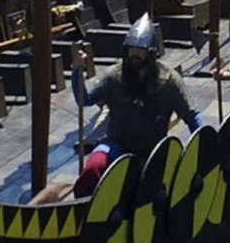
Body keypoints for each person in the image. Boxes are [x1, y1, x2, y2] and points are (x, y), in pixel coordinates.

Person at [74, 16, 203, 196]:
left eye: (139, 49)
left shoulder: (170, 81)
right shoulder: (114, 76)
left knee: (162, 190)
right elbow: (85, 99)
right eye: (131, 48)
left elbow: (192, 116)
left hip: (152, 151)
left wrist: (204, 146)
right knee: (93, 168)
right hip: (116, 145)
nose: (134, 53)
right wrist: (77, 72)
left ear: (150, 52)